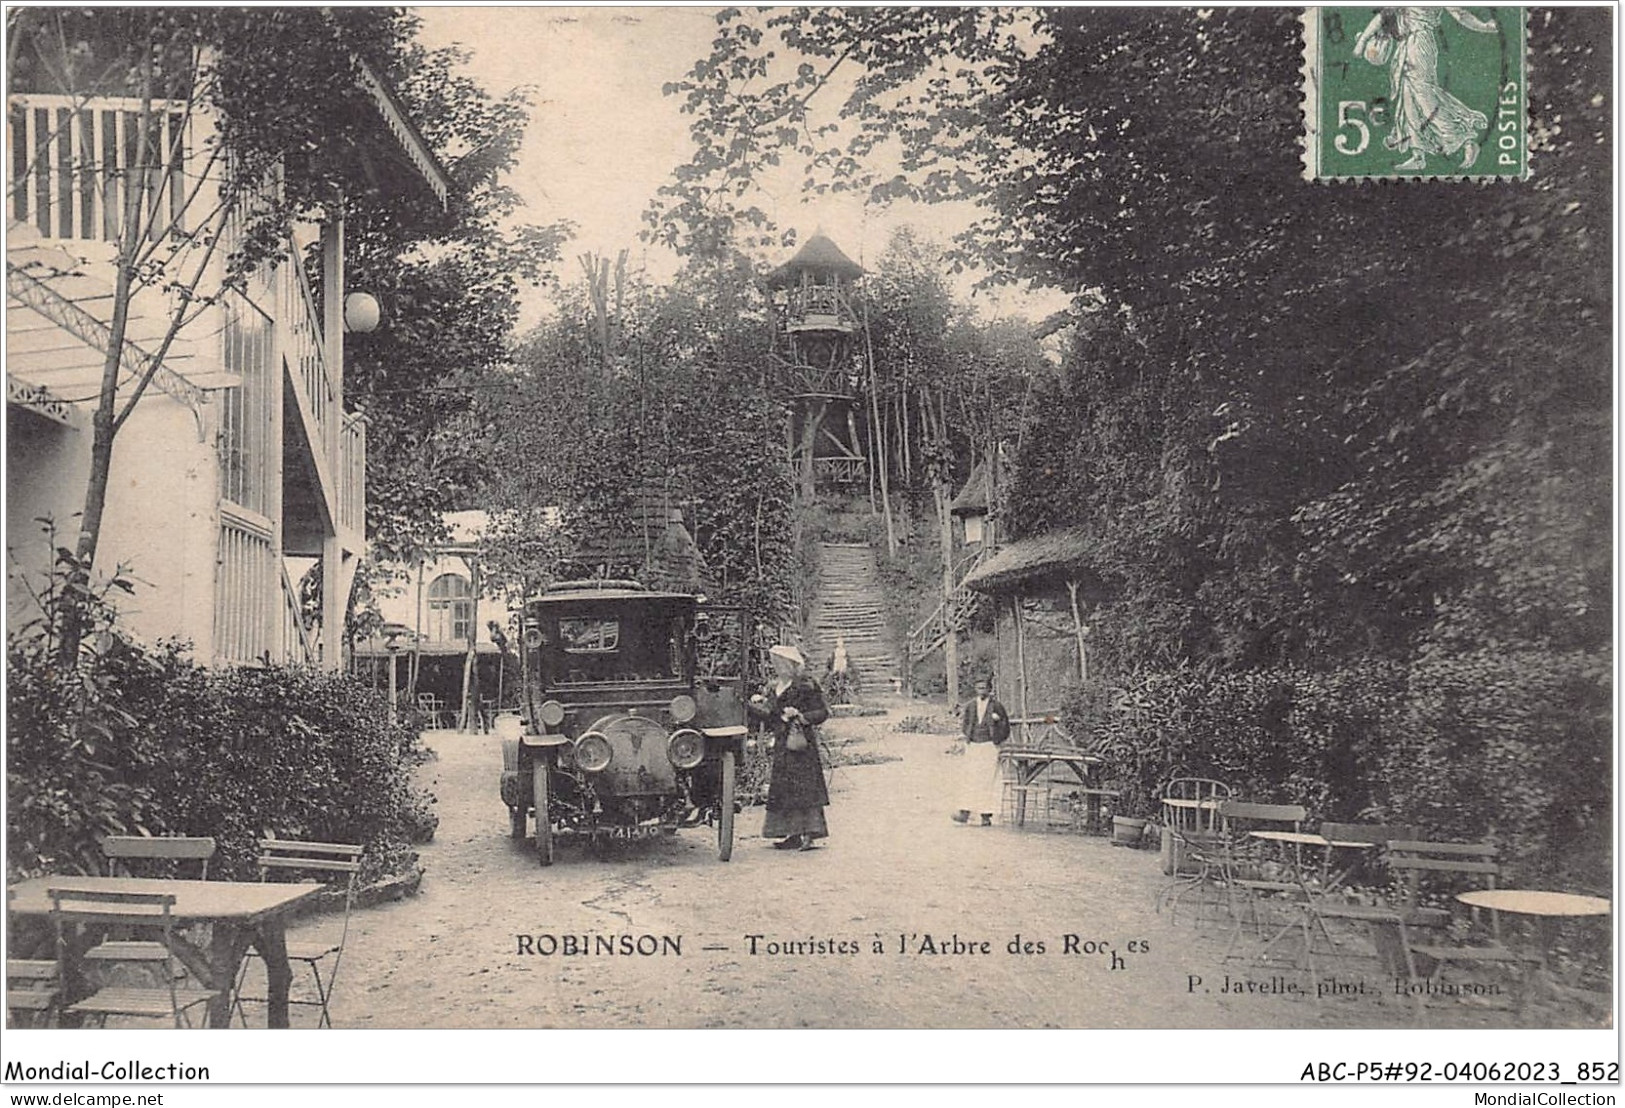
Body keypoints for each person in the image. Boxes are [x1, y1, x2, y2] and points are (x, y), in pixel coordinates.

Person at [1354, 7, 1499, 171]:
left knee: (1424, 97)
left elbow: (1460, 14)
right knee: (1409, 98)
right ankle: (1418, 155)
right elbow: (1386, 15)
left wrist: (1485, 27)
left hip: (1418, 43)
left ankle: (1464, 140)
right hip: (1407, 43)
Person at [748, 644, 831, 851]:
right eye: (774, 662)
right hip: (783, 745)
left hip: (801, 745)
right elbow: (771, 716)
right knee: (785, 788)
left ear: (791, 664)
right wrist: (751, 707)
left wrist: (801, 716)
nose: (776, 666)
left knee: (805, 788)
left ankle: (809, 834)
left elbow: (822, 712)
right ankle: (791, 834)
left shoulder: (806, 686)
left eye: (780, 662)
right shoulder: (775, 687)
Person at [955, 676, 1011, 826]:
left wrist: (997, 737)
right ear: (975, 689)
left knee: (988, 779)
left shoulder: (997, 706)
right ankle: (965, 812)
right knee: (970, 777)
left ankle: (986, 815)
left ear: (989, 690)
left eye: (984, 688)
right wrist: (967, 736)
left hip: (989, 746)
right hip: (974, 745)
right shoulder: (971, 706)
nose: (981, 691)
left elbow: (1006, 726)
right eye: (979, 688)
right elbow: (966, 723)